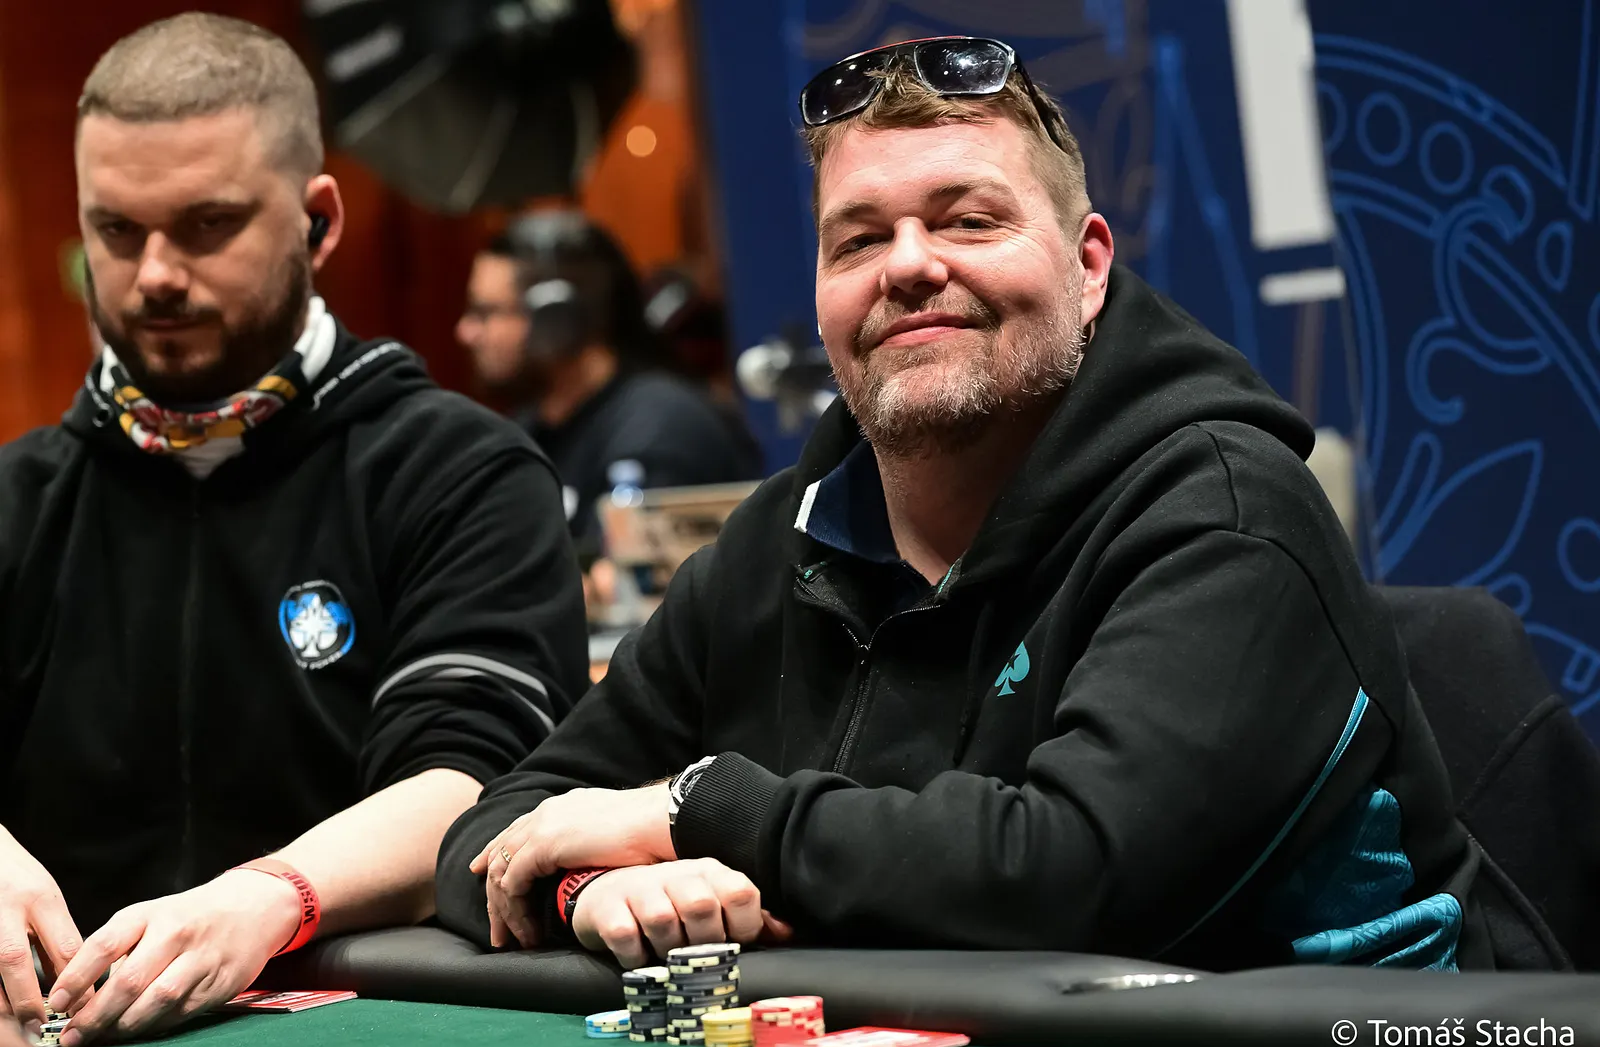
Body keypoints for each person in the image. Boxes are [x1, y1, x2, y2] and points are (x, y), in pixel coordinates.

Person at [434, 36, 1489, 972]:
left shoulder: (1225, 508)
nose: (907, 265)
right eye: (857, 239)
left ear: (1087, 267)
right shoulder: (778, 539)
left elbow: (1078, 874)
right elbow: (493, 832)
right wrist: (596, 892)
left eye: (969, 220)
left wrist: (698, 809)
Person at [0, 13, 589, 1047]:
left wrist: (268, 894)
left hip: (364, 1020)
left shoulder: (463, 470)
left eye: (207, 224)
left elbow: (472, 775)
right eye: (118, 230)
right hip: (64, 1029)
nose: (155, 274)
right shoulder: (18, 495)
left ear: (317, 220)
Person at [457, 209, 763, 567]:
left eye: (485, 312)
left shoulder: (661, 428)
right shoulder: (521, 435)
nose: (466, 332)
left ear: (556, 319)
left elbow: (641, 588)